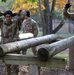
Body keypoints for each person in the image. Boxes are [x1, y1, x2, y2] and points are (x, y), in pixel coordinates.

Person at [0, 10, 19, 75]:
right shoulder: (2, 22)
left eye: (9, 16)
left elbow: (22, 14)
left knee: (15, 66)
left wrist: (15, 13)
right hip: (5, 47)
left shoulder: (15, 22)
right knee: (7, 66)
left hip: (14, 46)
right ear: (5, 17)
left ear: (11, 17)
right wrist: (3, 13)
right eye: (6, 16)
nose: (8, 18)